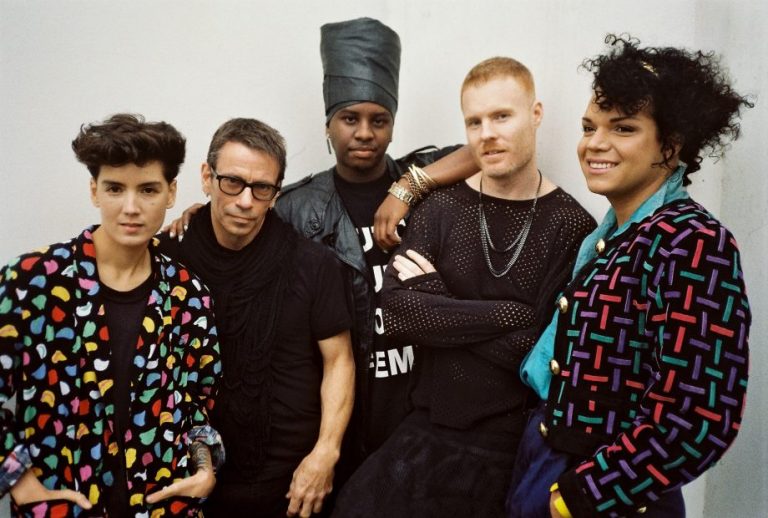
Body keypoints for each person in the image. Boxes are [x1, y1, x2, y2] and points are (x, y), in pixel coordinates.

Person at [331, 57, 596, 517]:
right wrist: (512, 314)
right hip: (427, 429)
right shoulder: (441, 208)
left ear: (535, 114)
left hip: (511, 448)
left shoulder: (571, 226)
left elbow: (538, 352)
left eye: (502, 116)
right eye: (474, 122)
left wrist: (438, 302)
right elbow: (399, 311)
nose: (486, 134)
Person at [506, 35, 753, 518]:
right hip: (548, 465)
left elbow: (698, 416)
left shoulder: (692, 241)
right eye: (588, 127)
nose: (595, 143)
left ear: (671, 144)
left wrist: (582, 495)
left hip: (607, 497)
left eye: (623, 128)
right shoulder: (613, 234)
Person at [274, 16, 478, 478]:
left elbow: (487, 151)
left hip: (422, 397)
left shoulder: (422, 175)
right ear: (329, 124)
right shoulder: (299, 207)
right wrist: (197, 216)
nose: (365, 132)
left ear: (392, 125)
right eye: (350, 118)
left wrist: (408, 187)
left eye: (378, 120)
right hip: (344, 404)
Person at [0, 114, 223, 517]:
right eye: (115, 188)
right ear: (94, 191)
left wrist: (204, 470)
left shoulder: (188, 296)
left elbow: (197, 405)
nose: (131, 208)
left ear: (171, 192)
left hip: (161, 507)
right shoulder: (31, 283)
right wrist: (18, 480)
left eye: (148, 189)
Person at [157, 117, 355, 518]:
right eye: (232, 182)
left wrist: (325, 453)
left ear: (276, 193)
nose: (246, 201)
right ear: (207, 177)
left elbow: (340, 362)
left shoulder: (313, 264)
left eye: (262, 188)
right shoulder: (166, 259)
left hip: (291, 484)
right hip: (188, 478)